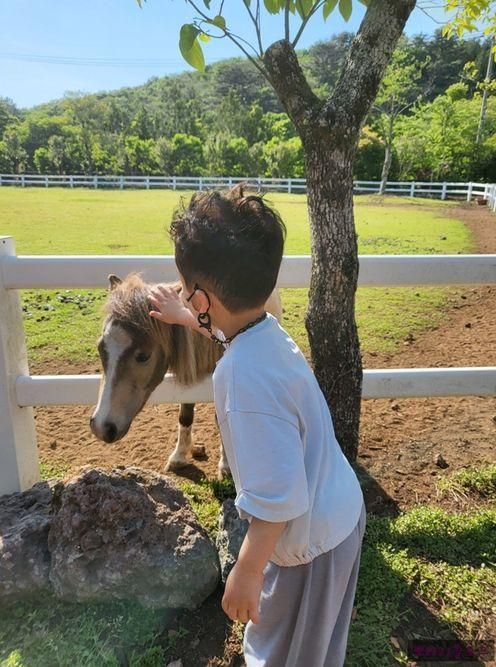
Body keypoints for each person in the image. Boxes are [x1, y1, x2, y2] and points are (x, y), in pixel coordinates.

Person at [148, 186, 366, 667]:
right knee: (317, 641)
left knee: (288, 653)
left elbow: (277, 496)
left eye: (187, 290)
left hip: (308, 545)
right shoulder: (266, 329)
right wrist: (188, 316)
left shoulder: (241, 378)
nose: (184, 296)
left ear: (205, 297)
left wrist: (247, 570)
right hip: (337, 513)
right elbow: (231, 328)